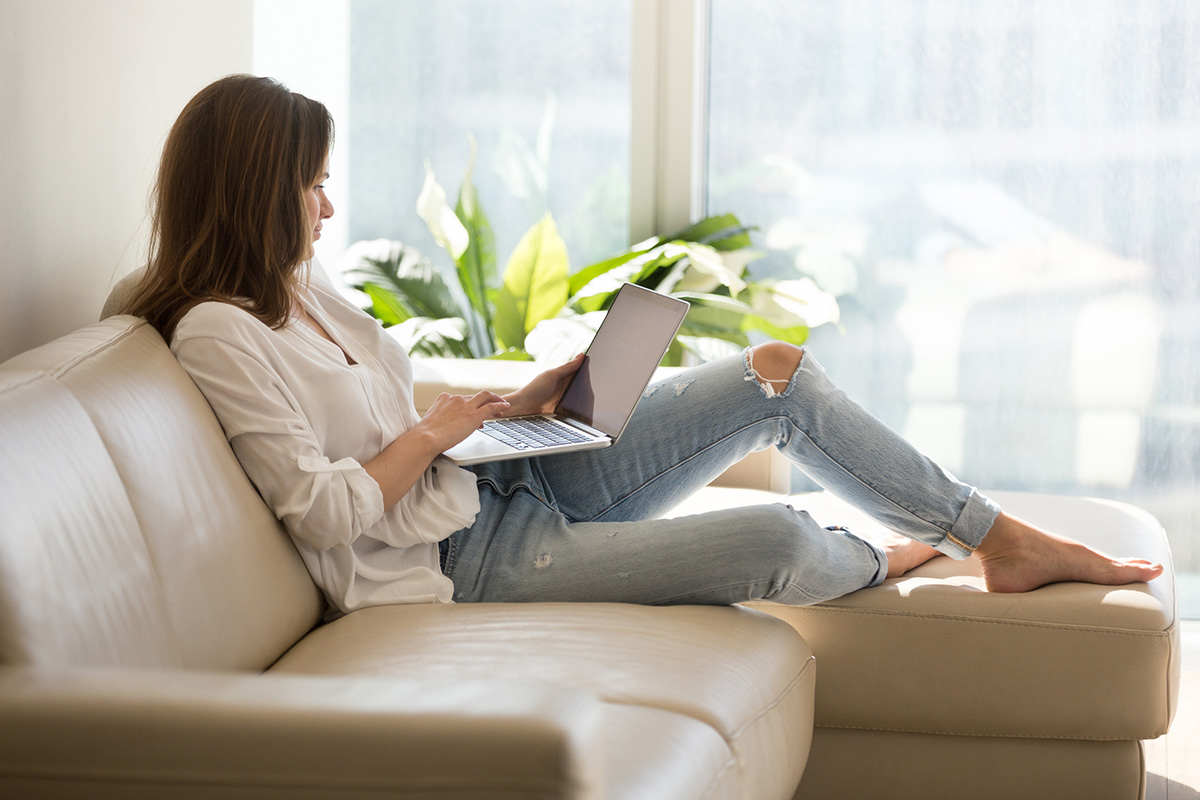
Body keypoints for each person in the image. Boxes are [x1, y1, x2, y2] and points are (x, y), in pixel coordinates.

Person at [124, 75, 1162, 620]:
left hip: (496, 485)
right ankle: (892, 551)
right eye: (312, 184)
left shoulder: (306, 290)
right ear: (258, 189)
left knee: (773, 373)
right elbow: (323, 506)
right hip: (465, 560)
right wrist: (438, 426)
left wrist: (518, 410)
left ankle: (995, 535)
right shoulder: (218, 331)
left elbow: (385, 417)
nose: (329, 204)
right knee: (777, 544)